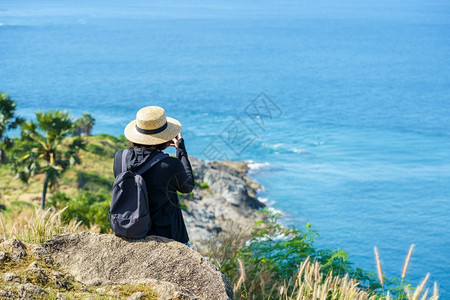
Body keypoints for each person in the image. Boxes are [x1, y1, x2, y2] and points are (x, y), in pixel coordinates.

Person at [113, 106, 194, 246]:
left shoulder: (120, 157)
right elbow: (187, 186)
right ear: (166, 136)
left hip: (131, 229)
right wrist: (181, 151)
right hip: (168, 235)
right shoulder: (169, 164)